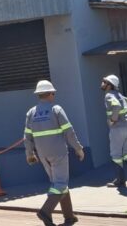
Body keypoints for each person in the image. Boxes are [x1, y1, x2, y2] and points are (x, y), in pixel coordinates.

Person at [24, 80, 84, 226]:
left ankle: (69, 217)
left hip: (43, 154)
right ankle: (45, 211)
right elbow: (69, 131)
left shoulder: (31, 112)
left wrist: (30, 154)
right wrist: (78, 148)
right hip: (58, 152)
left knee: (58, 183)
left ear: (38, 94)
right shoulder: (56, 109)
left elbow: (27, 136)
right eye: (53, 93)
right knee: (61, 183)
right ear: (51, 94)